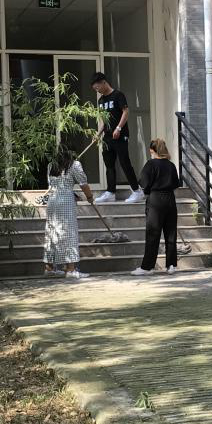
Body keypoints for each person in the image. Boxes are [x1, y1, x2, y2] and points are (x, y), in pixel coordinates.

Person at [91, 72, 144, 205]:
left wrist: (119, 128)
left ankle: (137, 191)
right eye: (95, 89)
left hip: (120, 136)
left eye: (98, 87)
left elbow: (126, 112)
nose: (97, 91)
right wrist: (98, 134)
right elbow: (103, 121)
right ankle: (110, 192)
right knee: (109, 165)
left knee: (125, 162)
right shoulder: (101, 101)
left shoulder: (118, 95)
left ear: (104, 82)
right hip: (108, 137)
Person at [44, 143, 95, 280]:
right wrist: (90, 197)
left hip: (52, 201)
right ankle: (70, 270)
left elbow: (54, 184)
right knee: (68, 233)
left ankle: (49, 268)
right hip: (65, 202)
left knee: (52, 232)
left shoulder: (51, 166)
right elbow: (83, 183)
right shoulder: (75, 165)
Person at [131, 138, 181, 275]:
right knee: (171, 233)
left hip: (155, 200)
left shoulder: (151, 164)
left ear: (152, 150)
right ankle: (171, 265)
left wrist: (148, 191)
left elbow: (144, 183)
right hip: (170, 199)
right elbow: (175, 183)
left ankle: (147, 267)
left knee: (153, 233)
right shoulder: (171, 165)